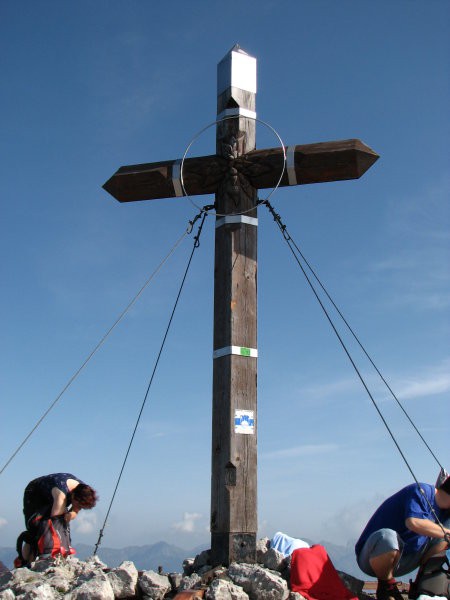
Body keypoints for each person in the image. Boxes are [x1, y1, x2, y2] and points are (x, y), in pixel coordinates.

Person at [355, 471, 450, 600]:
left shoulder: (446, 513)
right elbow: (413, 522)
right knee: (387, 537)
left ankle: (423, 582)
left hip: (406, 560)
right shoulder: (421, 491)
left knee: (446, 530)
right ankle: (386, 586)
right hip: (373, 557)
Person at [20, 473, 98, 563]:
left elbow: (75, 511)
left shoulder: (83, 491)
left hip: (52, 494)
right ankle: (25, 562)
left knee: (61, 520)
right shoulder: (61, 496)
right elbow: (55, 522)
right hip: (35, 493)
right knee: (36, 529)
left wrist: (70, 515)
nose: (79, 507)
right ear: (73, 497)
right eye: (78, 505)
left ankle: (59, 549)